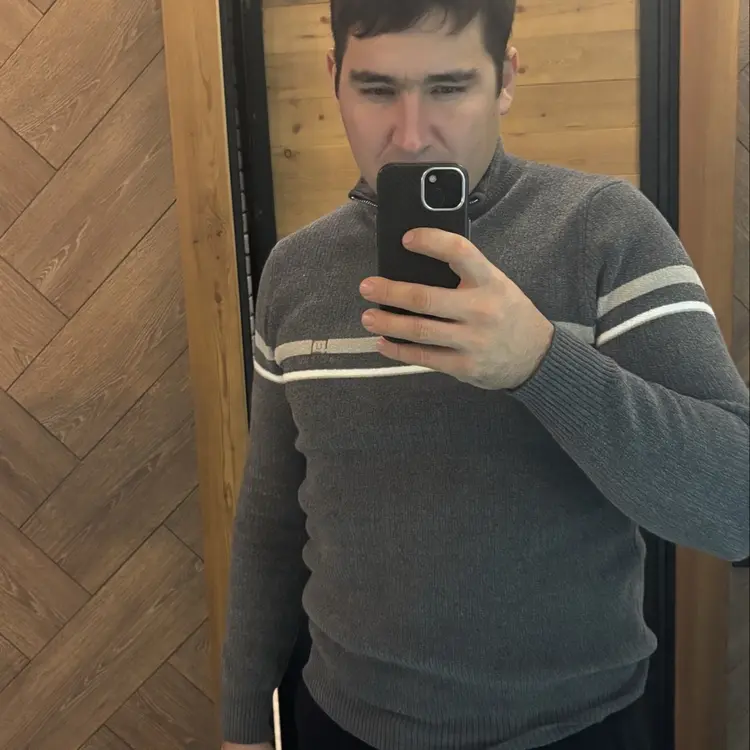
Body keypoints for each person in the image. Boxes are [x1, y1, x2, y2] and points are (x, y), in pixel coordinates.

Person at [221, 1, 750, 748]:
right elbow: (272, 519)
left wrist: (540, 363)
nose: (411, 135)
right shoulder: (293, 272)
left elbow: (737, 504)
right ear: (334, 77)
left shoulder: (605, 232)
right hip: (341, 723)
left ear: (504, 79)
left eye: (448, 87)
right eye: (376, 89)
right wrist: (245, 721)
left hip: (579, 730)